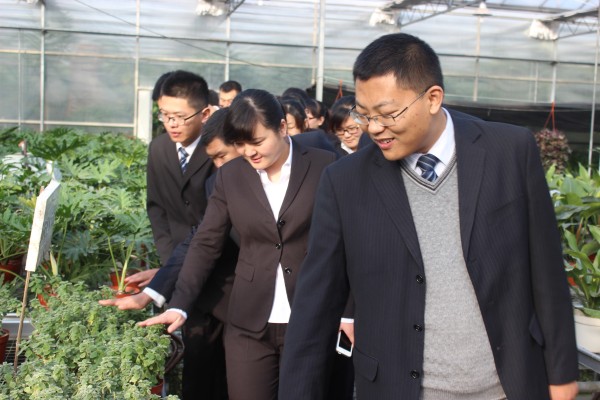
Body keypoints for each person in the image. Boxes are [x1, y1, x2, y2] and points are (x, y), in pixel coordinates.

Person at [279, 33, 579, 400]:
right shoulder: (345, 181)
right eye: (365, 113)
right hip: (398, 389)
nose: (373, 127)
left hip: (507, 386)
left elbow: (546, 271)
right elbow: (315, 306)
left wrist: (562, 374)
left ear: (433, 98)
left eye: (387, 114)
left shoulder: (510, 151)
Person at [138, 88, 337, 400]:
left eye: (257, 141)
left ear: (282, 127)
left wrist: (349, 312)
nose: (249, 152)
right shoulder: (231, 176)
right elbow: (206, 242)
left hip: (310, 316)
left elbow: (346, 243)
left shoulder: (325, 166)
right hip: (248, 321)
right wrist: (179, 303)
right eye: (241, 144)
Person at [101, 108, 239, 400]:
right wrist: (153, 290)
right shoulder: (219, 182)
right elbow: (201, 239)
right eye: (165, 114)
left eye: (222, 156)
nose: (218, 166)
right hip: (216, 294)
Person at [143, 70, 229, 400]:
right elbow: (157, 210)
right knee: (196, 360)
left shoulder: (219, 150)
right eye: (165, 115)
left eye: (180, 116)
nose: (172, 124)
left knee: (226, 364)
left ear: (205, 113)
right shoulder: (159, 149)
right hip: (182, 270)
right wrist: (171, 263)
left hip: (224, 270)